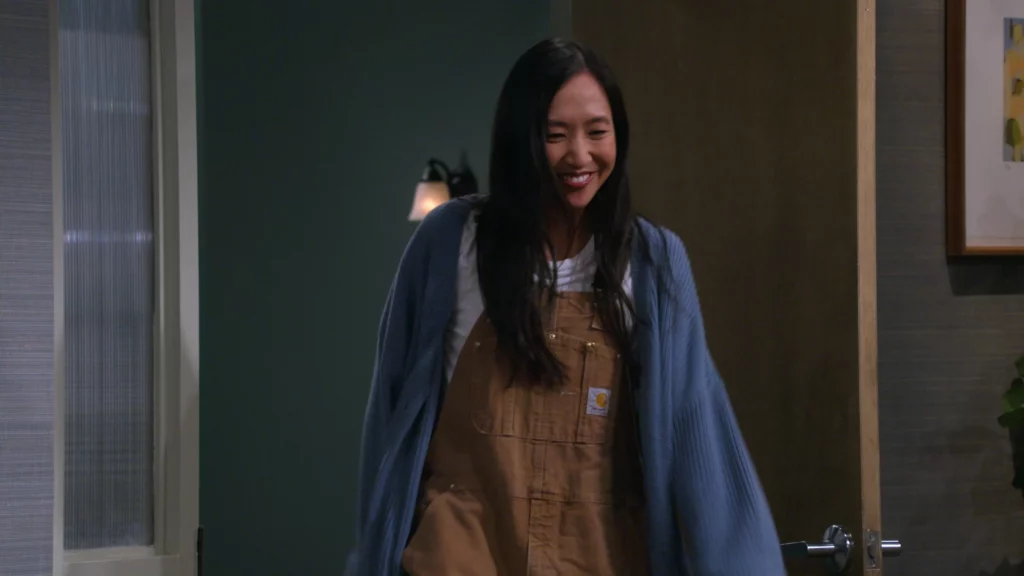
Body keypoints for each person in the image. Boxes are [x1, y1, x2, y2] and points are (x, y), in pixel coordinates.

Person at [346, 38, 785, 575]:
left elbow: (700, 434)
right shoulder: (449, 243)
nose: (580, 156)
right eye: (555, 135)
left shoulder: (652, 262)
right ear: (520, 140)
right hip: (459, 554)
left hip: (600, 556)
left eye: (598, 132)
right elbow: (391, 420)